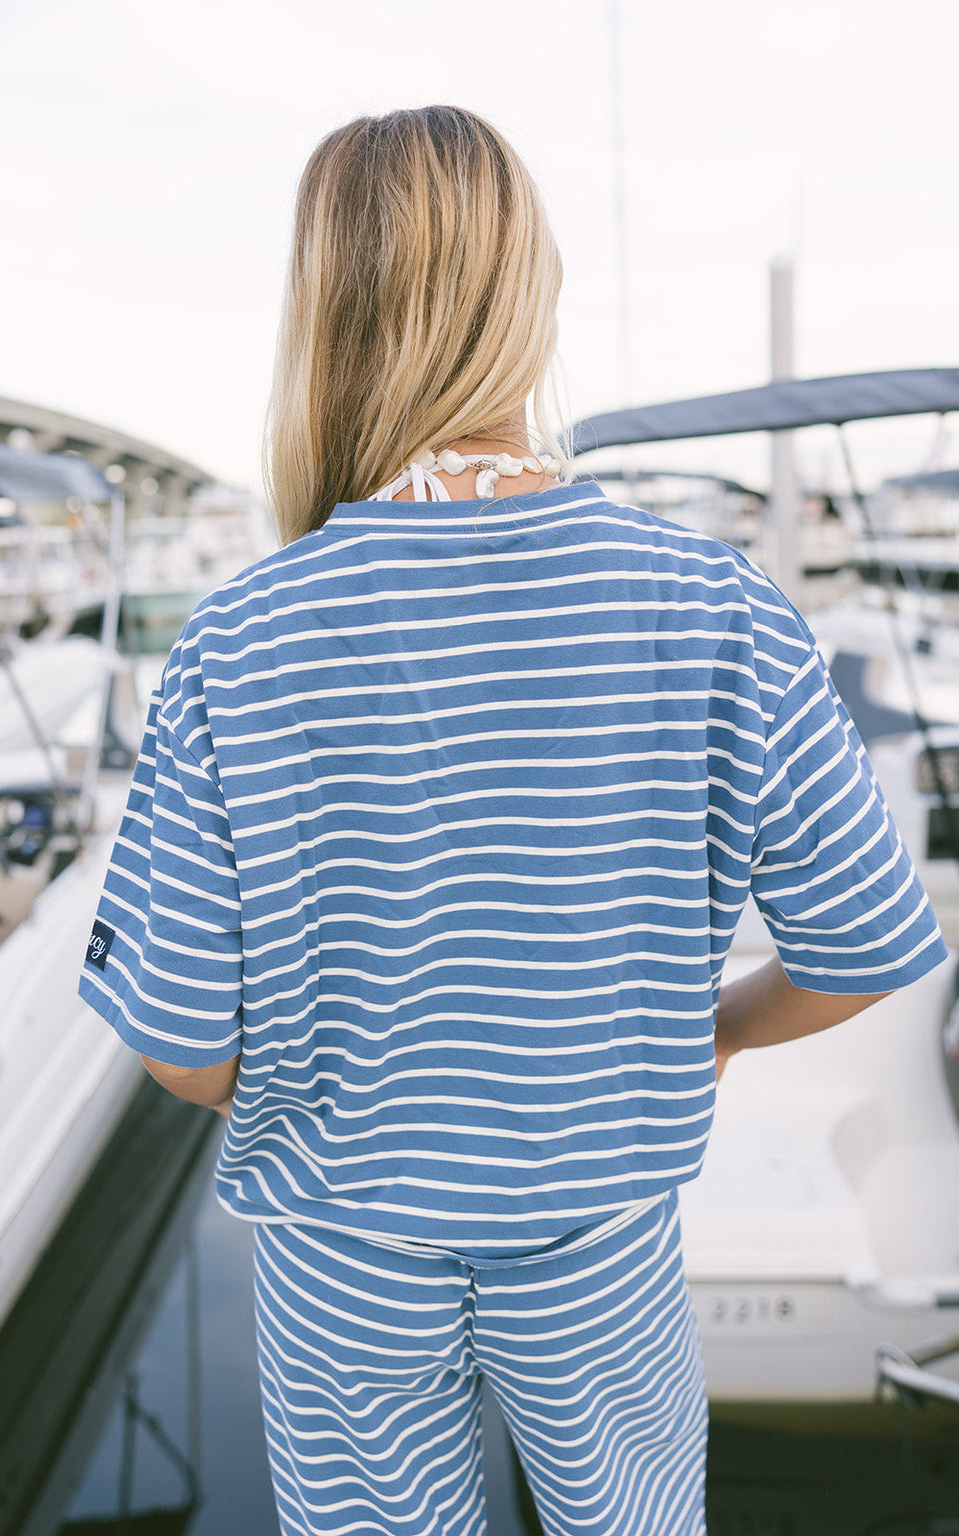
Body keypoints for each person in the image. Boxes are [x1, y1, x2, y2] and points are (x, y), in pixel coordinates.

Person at [79, 106, 947, 1536]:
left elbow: (180, 1048)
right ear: (529, 302)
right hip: (602, 1239)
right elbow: (861, 947)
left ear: (325, 318)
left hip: (341, 1252)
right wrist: (713, 1028)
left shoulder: (237, 645)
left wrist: (344, 1090)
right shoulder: (715, 607)